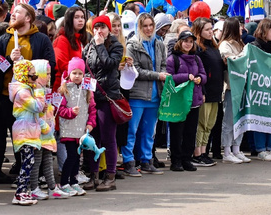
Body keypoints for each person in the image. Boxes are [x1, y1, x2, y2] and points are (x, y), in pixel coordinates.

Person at [0, 3, 55, 184]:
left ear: (28, 18)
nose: (13, 15)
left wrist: (28, 67)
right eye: (12, 12)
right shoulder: (3, 39)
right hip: (5, 95)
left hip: (27, 100)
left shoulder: (41, 39)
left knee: (25, 137)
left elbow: (50, 65)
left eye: (17, 12)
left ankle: (28, 174)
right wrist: (9, 59)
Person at [82, 15, 124, 191]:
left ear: (108, 30)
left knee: (108, 138)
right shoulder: (88, 47)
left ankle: (110, 176)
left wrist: (100, 46)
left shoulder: (116, 46)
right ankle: (93, 175)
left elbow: (109, 64)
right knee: (92, 138)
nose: (100, 31)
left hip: (108, 96)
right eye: (97, 27)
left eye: (103, 28)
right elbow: (86, 67)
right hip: (92, 97)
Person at [123, 13, 167, 176]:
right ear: (139, 27)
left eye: (151, 25)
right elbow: (135, 71)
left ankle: (146, 160)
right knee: (132, 131)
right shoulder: (132, 45)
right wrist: (158, 75)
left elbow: (163, 64)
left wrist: (162, 74)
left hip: (155, 94)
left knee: (149, 131)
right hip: (138, 94)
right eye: (145, 26)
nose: (148, 29)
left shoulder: (159, 43)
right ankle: (128, 161)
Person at [167, 30, 206, 172]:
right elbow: (169, 78)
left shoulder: (196, 59)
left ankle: (187, 159)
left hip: (193, 100)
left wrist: (200, 79)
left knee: (190, 132)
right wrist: (186, 76)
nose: (188, 44)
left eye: (191, 41)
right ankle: (176, 160)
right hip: (179, 101)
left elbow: (203, 74)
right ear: (179, 42)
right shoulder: (173, 59)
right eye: (185, 41)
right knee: (177, 132)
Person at [8, 60, 47, 206]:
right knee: (28, 161)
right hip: (24, 130)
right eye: (33, 76)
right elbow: (37, 106)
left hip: (28, 128)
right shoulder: (23, 92)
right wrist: (39, 93)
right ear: (24, 75)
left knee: (28, 161)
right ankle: (20, 192)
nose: (35, 79)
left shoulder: (27, 89)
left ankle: (24, 190)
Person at [57, 58, 96, 197]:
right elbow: (60, 110)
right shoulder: (64, 90)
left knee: (77, 156)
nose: (77, 76)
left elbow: (92, 109)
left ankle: (73, 181)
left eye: (80, 73)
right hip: (68, 130)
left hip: (81, 131)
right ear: (69, 74)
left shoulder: (87, 91)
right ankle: (64, 182)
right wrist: (70, 112)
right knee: (72, 156)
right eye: (74, 73)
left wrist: (91, 124)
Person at [28, 60, 63, 199]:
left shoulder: (45, 90)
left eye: (50, 74)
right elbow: (36, 112)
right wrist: (45, 126)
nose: (49, 76)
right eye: (46, 73)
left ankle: (52, 187)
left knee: (48, 158)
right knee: (37, 160)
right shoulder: (36, 91)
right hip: (40, 130)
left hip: (47, 130)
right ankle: (34, 187)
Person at [191, 17, 223, 167]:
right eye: (207, 30)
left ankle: (204, 152)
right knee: (202, 124)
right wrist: (202, 91)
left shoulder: (213, 47)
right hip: (205, 91)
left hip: (216, 91)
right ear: (199, 31)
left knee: (209, 124)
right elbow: (199, 72)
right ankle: (197, 153)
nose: (211, 32)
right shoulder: (198, 49)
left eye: (211, 29)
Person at [218, 17, 250, 164]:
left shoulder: (240, 43)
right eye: (239, 27)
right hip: (231, 87)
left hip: (243, 86)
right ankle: (227, 150)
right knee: (229, 119)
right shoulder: (225, 44)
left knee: (241, 119)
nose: (242, 29)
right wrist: (244, 55)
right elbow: (228, 58)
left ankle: (236, 148)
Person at [250, 18, 271, 161]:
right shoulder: (254, 46)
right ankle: (261, 149)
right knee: (260, 118)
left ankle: (270, 148)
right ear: (264, 31)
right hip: (259, 89)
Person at [52, 6, 88, 92]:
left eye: (82, 17)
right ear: (69, 20)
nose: (80, 20)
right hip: (64, 85)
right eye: (76, 17)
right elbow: (62, 64)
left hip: (78, 84)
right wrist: (77, 75)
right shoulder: (62, 39)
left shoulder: (81, 39)